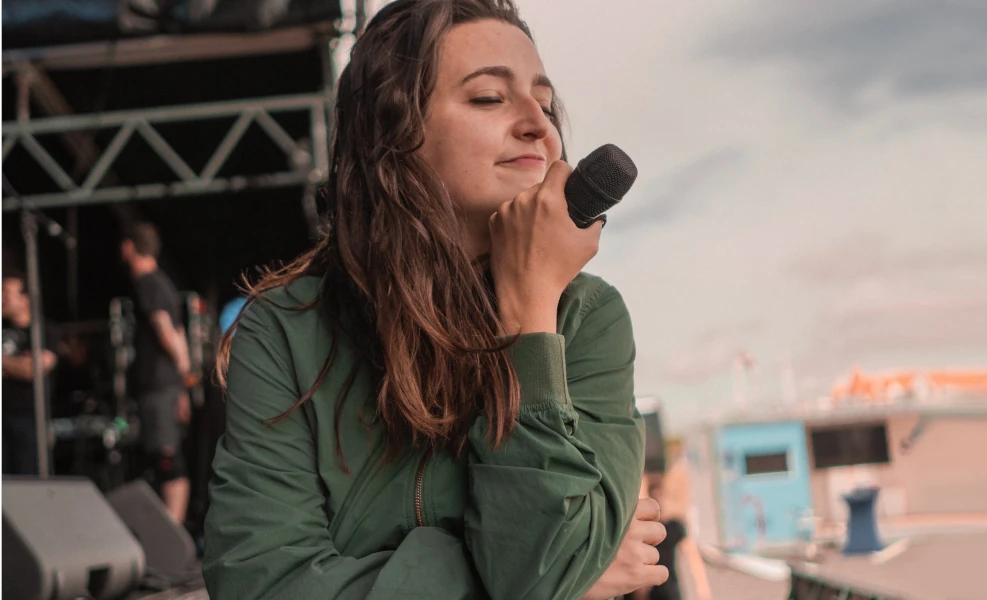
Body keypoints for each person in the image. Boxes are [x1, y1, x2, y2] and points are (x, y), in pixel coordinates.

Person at [202, 1, 668, 599]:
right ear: (395, 135)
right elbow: (259, 585)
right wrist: (491, 571)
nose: (537, 124)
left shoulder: (586, 319)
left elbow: (546, 568)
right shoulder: (285, 330)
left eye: (546, 104)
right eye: (488, 98)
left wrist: (531, 312)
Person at [121, 222, 192, 525]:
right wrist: (184, 381)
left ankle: (173, 534)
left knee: (167, 459)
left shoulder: (148, 283)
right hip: (167, 385)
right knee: (162, 456)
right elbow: (179, 332)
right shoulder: (164, 282)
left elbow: (166, 330)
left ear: (128, 248)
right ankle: (171, 534)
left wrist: (180, 372)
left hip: (158, 386)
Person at [626, 442, 712, 600]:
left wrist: (702, 586)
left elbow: (691, 554)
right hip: (660, 590)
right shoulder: (660, 528)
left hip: (666, 590)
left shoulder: (670, 527)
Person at [2, 265, 59, 475]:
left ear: (25, 298)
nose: (1, 298)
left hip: (29, 421)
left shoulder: (44, 331)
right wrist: (16, 364)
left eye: (6, 292)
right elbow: (25, 366)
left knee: (28, 484)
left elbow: (31, 369)